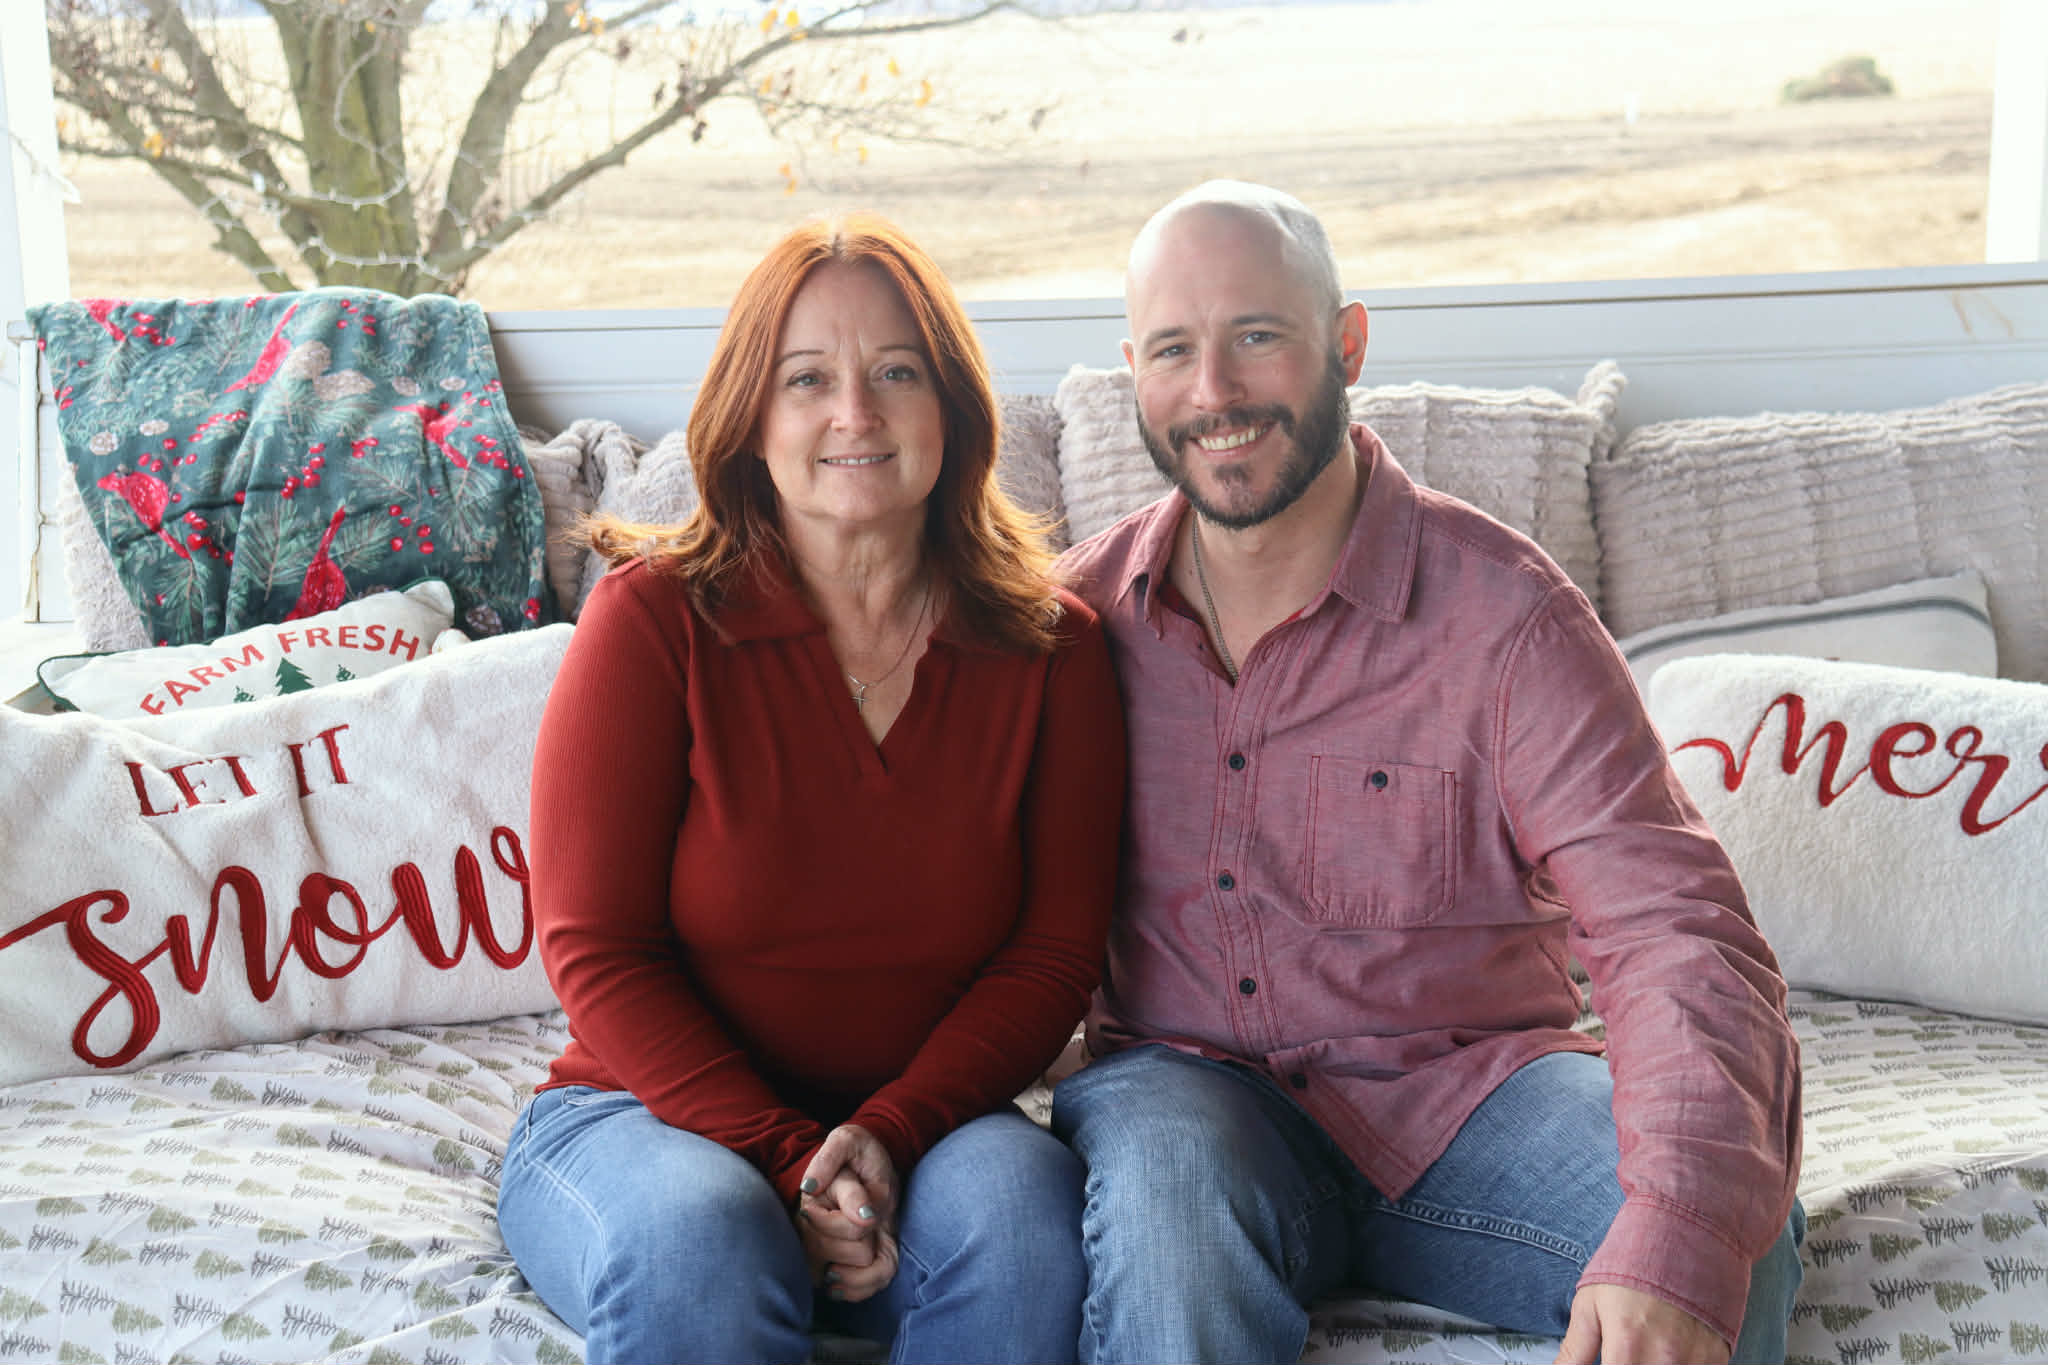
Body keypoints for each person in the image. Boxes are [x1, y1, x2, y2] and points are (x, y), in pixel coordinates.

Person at [1050, 181, 1805, 1365]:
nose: (1214, 392)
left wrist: (1672, 1223)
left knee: (1718, 1250)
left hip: (1468, 1098)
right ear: (1131, 373)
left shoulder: (1505, 618)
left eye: (1257, 336)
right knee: (1169, 1223)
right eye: (1172, 350)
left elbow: (1669, 926)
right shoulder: (1069, 628)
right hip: (1183, 1096)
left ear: (1346, 343)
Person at [497, 215, 1127, 1365]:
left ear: (954, 408)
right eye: (806, 379)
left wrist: (888, 1133)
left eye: (896, 372)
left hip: (933, 1128)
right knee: (702, 1245)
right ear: (750, 418)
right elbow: (596, 949)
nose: (855, 413)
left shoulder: (1054, 650)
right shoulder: (651, 622)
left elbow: (1051, 957)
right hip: (644, 1117)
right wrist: (789, 1158)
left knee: (1026, 1237)